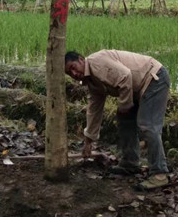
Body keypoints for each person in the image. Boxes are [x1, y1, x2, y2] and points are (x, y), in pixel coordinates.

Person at [65, 49, 171, 190]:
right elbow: (94, 110)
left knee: (148, 125)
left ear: (80, 59)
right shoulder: (92, 81)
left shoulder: (97, 63)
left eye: (73, 67)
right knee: (124, 120)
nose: (74, 74)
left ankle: (159, 174)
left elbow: (125, 76)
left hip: (153, 78)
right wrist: (88, 141)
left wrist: (125, 105)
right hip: (136, 87)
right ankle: (130, 163)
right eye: (69, 73)